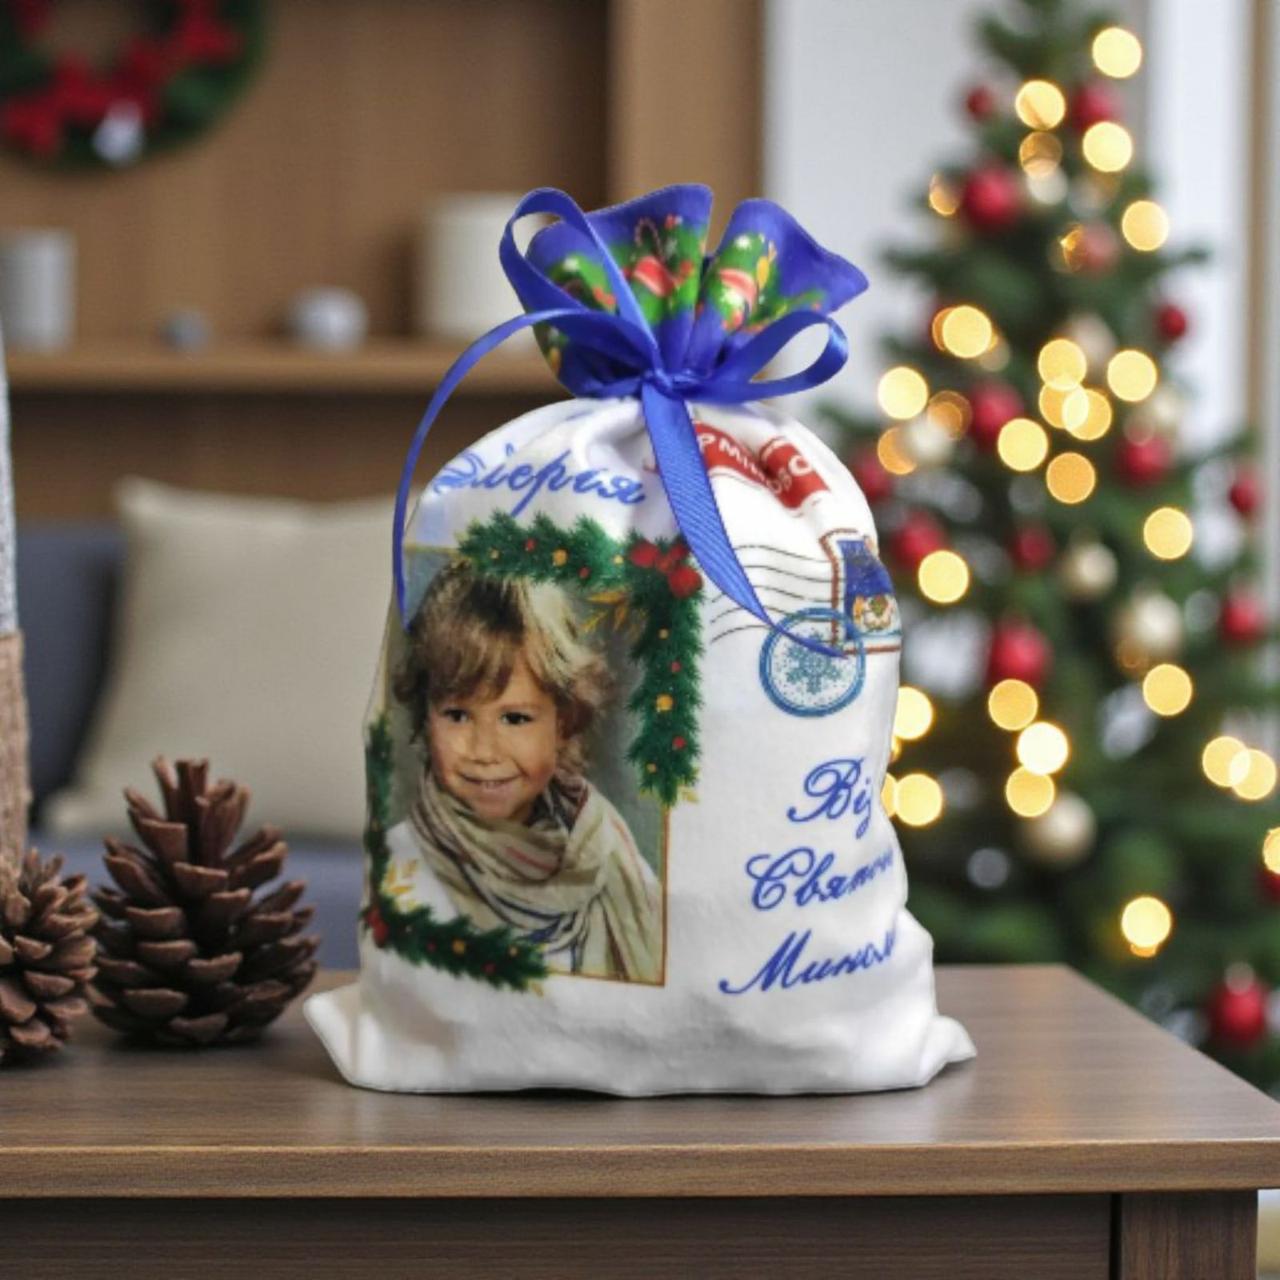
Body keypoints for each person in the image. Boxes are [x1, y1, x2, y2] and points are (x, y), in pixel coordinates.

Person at [385, 560, 662, 984]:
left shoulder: (609, 853)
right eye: (457, 715)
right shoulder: (401, 865)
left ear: (563, 723)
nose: (484, 751)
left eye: (515, 719)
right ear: (426, 717)